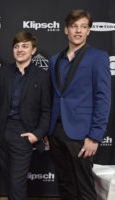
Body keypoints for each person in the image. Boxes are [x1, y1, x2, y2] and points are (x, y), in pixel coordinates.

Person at [47, 9, 111, 200]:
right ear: (66, 30)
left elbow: (103, 97)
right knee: (65, 186)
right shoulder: (54, 60)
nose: (78, 31)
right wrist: (48, 130)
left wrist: (95, 136)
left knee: (84, 189)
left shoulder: (98, 56)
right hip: (56, 131)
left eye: (83, 27)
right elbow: (54, 96)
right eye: (74, 26)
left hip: (82, 134)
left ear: (89, 31)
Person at [0, 32, 51, 200]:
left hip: (23, 133)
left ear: (33, 50)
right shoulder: (2, 73)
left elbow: (46, 110)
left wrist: (36, 134)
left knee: (17, 183)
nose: (20, 50)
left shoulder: (43, 76)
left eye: (25, 46)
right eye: (16, 47)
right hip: (2, 131)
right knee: (9, 181)